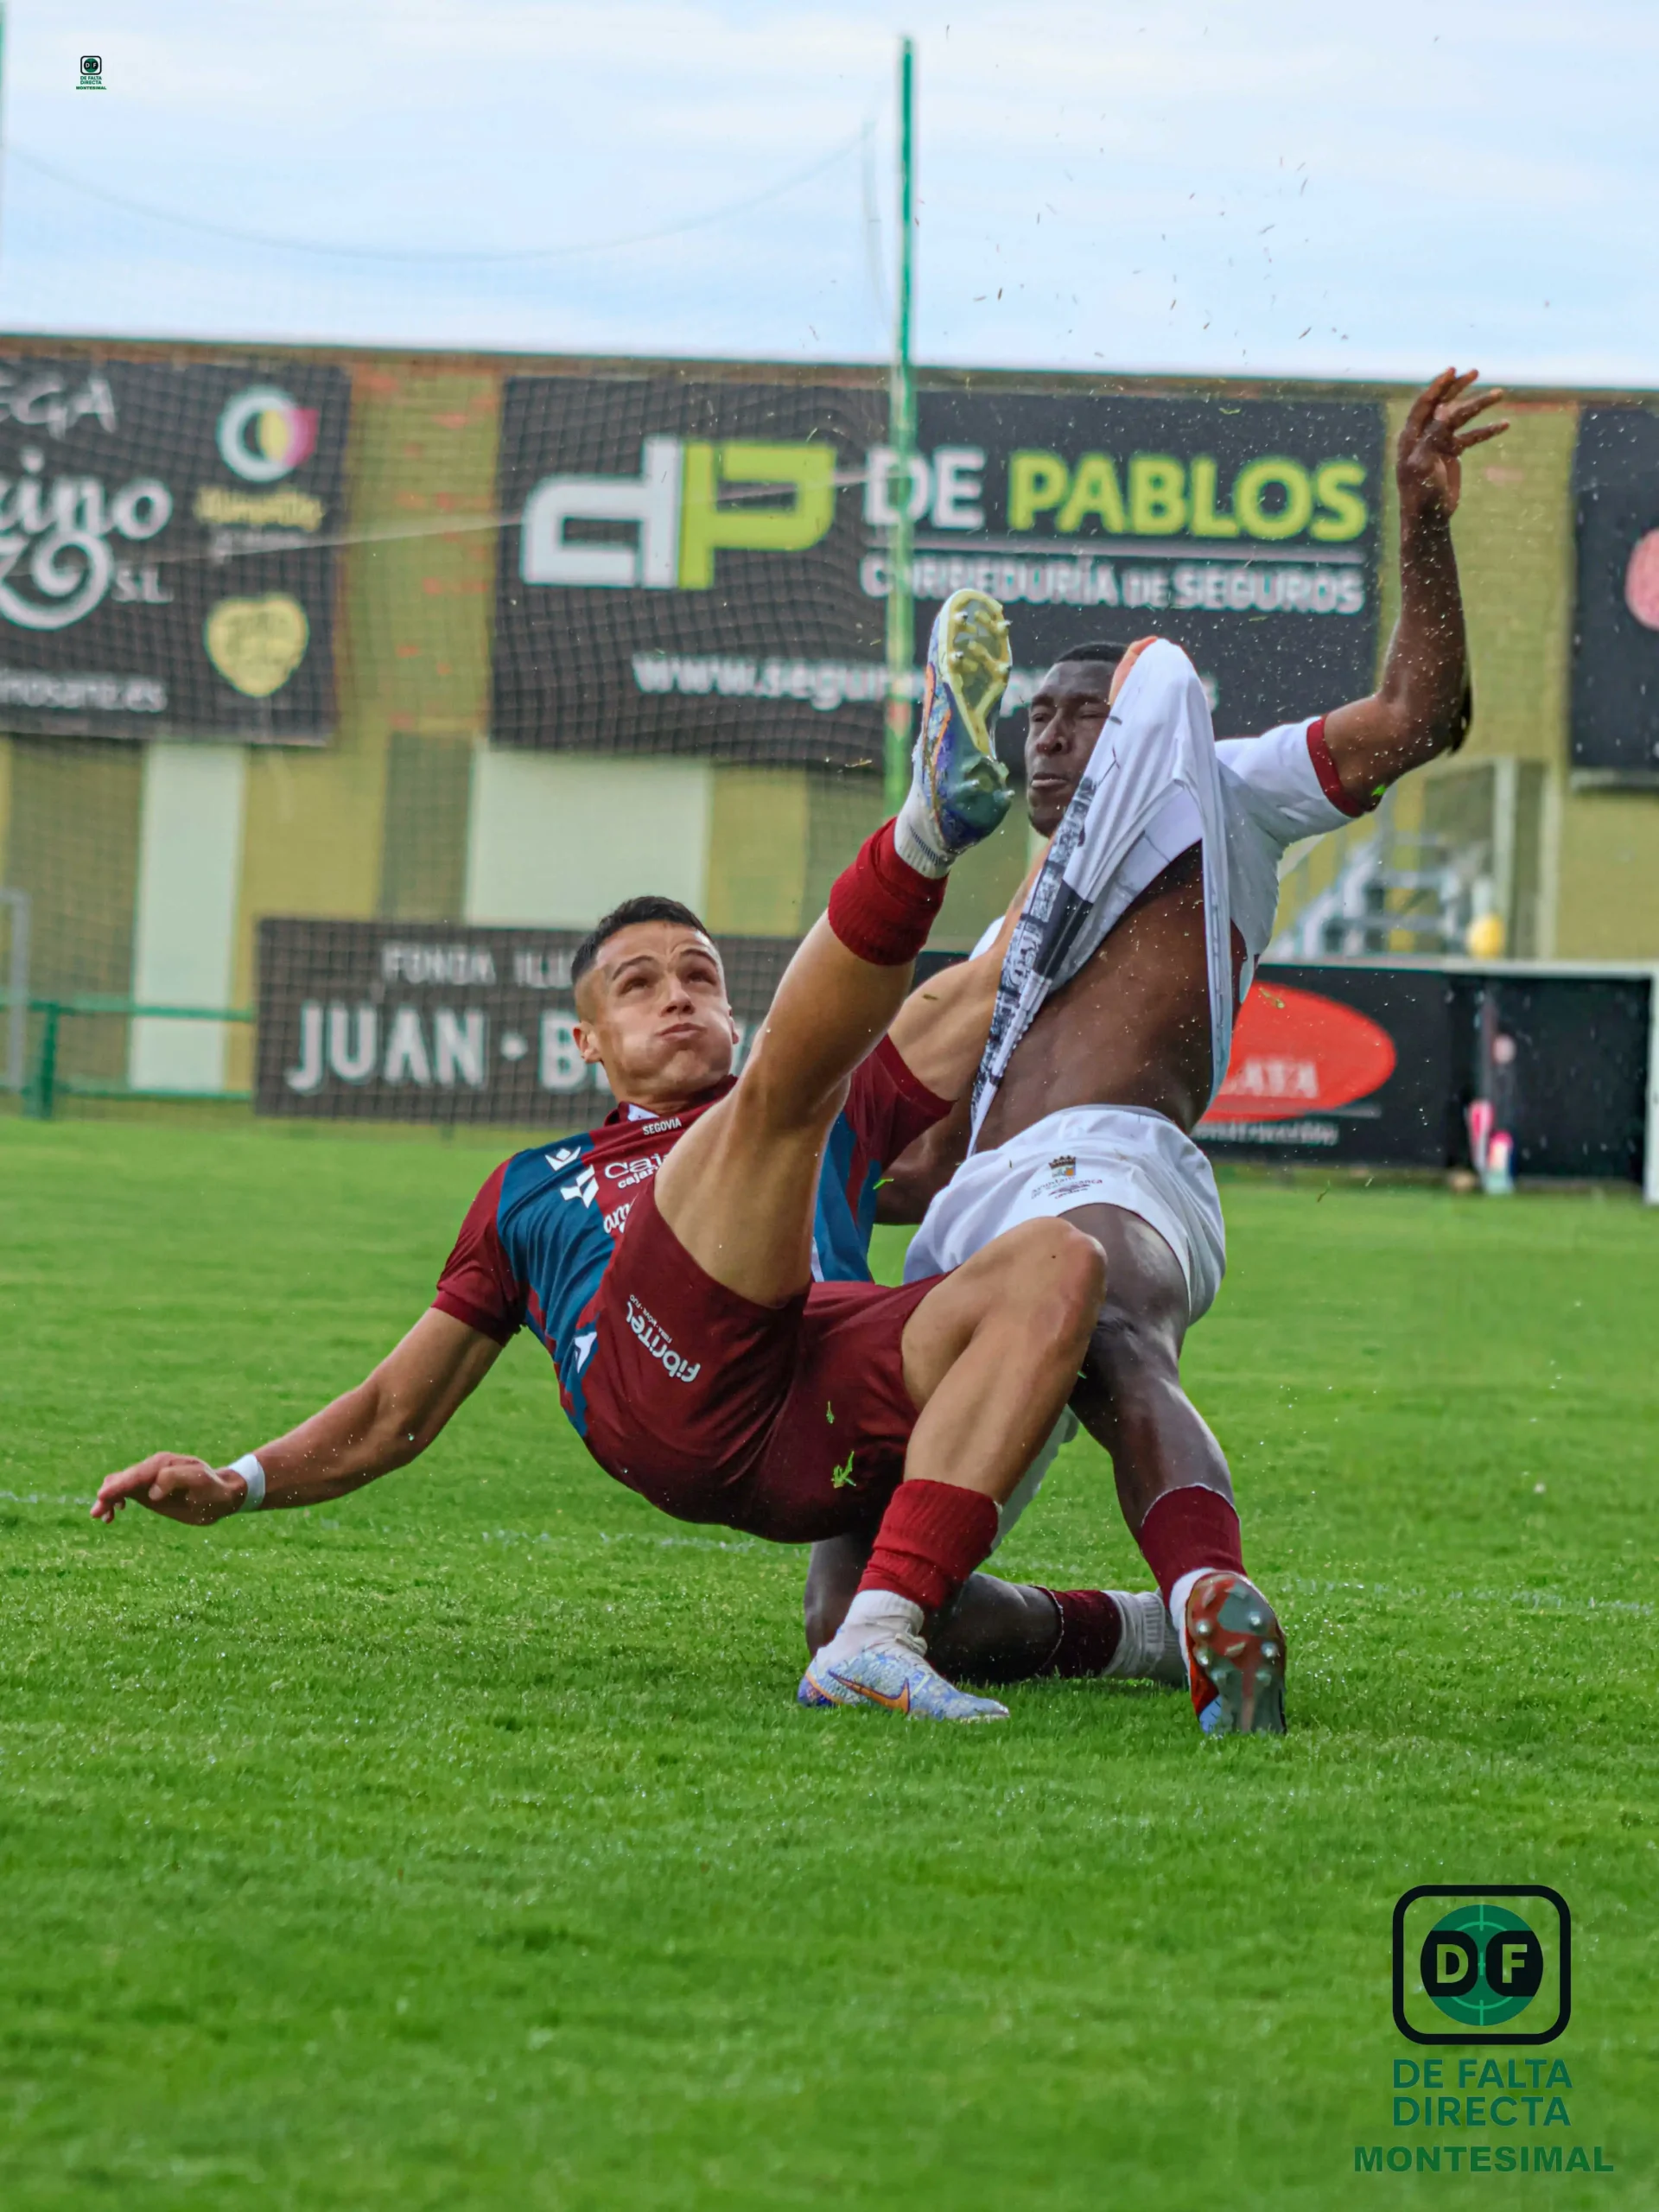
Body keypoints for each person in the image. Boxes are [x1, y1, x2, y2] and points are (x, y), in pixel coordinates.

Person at [92, 589, 1109, 1726]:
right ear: (588, 1041)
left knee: (1057, 1266)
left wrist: (1079, 825)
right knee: (784, 1097)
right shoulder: (533, 1188)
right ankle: (925, 830)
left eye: (701, 976)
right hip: (664, 1396)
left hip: (812, 1421)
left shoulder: (807, 1100)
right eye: (639, 983)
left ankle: (890, 1637)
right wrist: (237, 1484)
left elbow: (996, 975)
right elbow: (395, 1412)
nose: (678, 993)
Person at [803, 367, 1509, 1734]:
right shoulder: (1007, 940)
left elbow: (1423, 715)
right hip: (971, 1215)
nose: (1057, 737)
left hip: (1122, 1166)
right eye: (1037, 722)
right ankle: (1136, 1631)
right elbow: (919, 1157)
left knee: (1115, 1333)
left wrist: (1419, 523)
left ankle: (1213, 1595)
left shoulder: (1226, 790)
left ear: (1136, 730)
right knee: (857, 1602)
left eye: (1085, 714)